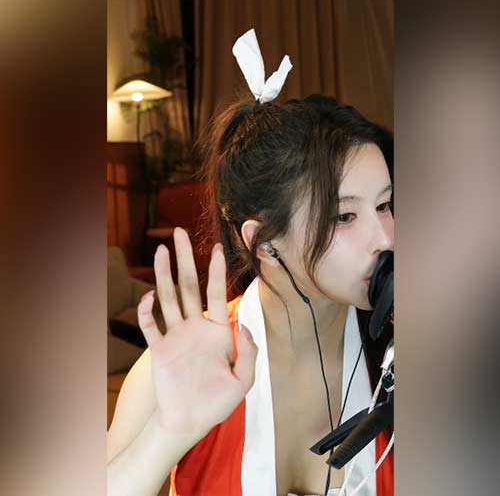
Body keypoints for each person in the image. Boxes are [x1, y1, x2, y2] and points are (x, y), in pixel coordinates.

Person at [107, 31, 394, 496]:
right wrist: (168, 432)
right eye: (344, 216)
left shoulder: (401, 354)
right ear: (263, 242)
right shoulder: (188, 364)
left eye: (384, 205)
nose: (386, 238)